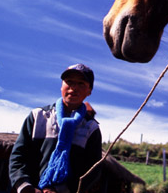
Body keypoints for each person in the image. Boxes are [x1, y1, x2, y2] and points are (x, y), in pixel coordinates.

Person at [9, 64, 102, 193]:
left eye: (81, 83)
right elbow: (18, 156)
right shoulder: (38, 116)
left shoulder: (91, 128)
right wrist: (26, 187)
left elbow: (92, 170)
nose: (74, 88)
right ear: (61, 86)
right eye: (69, 82)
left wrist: (62, 190)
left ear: (89, 91)